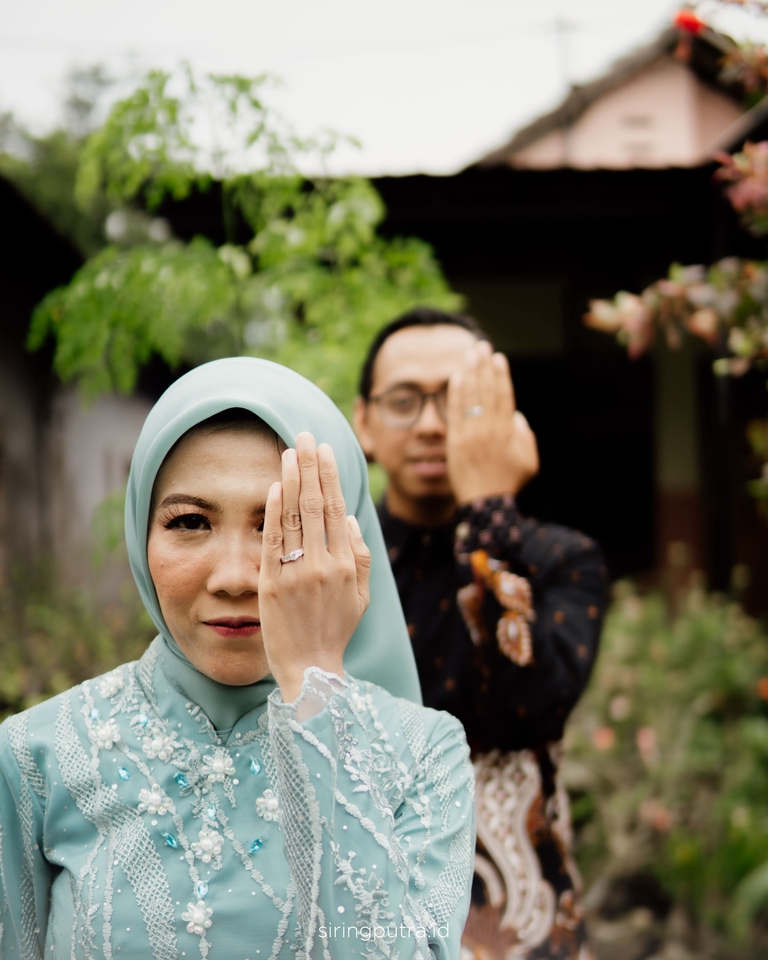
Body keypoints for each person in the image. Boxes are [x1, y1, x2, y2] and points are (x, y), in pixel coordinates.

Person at [0, 357, 475, 960]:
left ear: (346, 543)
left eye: (284, 526)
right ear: (139, 535)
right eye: (190, 522)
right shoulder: (37, 754)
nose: (232, 577)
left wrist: (316, 681)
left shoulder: (424, 755)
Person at [353, 308, 608, 960]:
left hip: (520, 928)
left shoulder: (560, 558)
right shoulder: (336, 561)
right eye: (406, 401)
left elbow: (527, 704)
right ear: (364, 423)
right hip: (358, 910)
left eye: (458, 401)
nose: (433, 425)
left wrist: (489, 511)